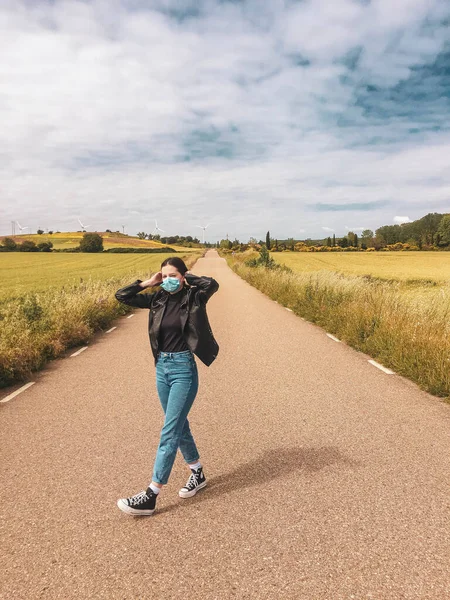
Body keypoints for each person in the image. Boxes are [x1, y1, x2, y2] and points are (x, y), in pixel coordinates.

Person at [114, 257, 219, 516]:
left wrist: (188, 277)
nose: (168, 280)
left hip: (184, 369)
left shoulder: (194, 298)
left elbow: (212, 284)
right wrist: (149, 283)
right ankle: (198, 473)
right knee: (179, 425)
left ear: (182, 276)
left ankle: (152, 494)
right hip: (162, 368)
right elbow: (122, 296)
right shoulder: (158, 298)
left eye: (173, 275)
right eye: (165, 275)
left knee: (169, 431)